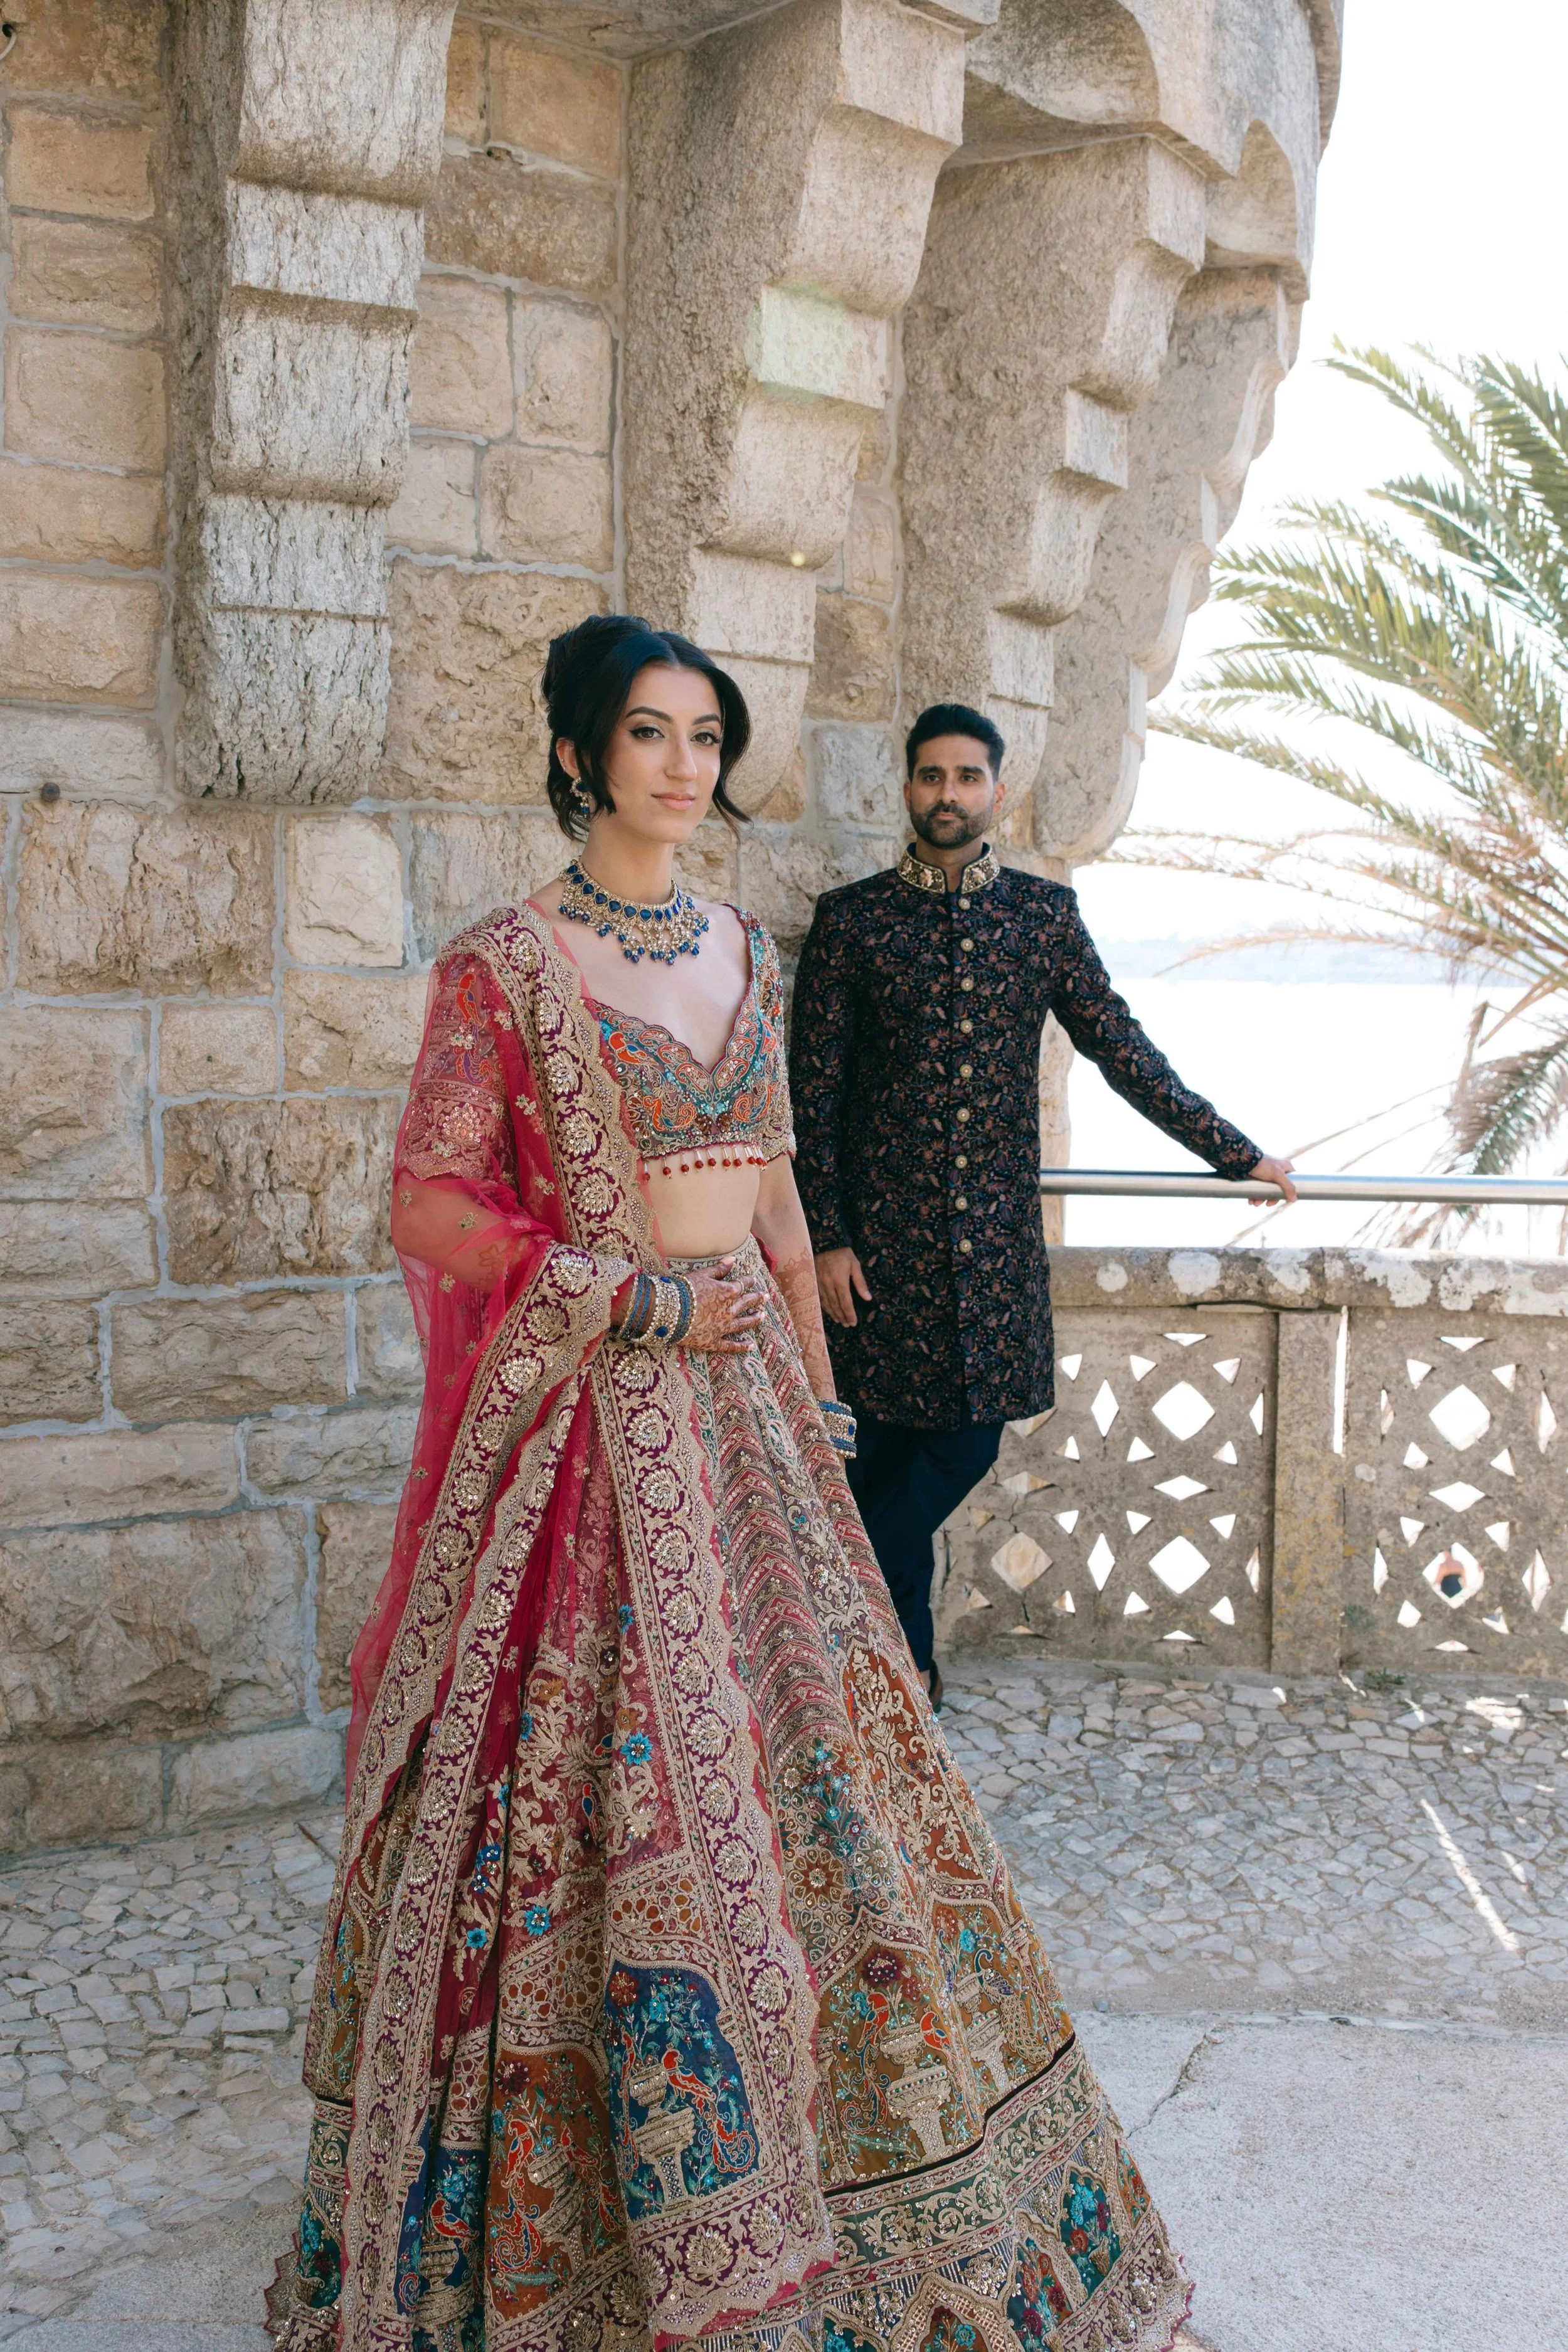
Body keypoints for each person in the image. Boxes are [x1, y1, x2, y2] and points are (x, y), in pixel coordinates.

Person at [268, 626, 1194, 2351]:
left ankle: (862, 2177)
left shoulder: (744, 957)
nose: (681, 764)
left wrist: (821, 1424)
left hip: (754, 1427)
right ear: (577, 752)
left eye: (706, 735)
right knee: (570, 1795)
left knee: (831, 1779)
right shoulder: (504, 965)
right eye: (646, 733)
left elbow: (774, 1215)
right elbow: (431, 1204)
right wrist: (625, 1298)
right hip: (586, 1439)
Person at [790, 702, 1296, 1703]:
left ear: (998, 791)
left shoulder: (1040, 917)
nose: (948, 794)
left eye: (967, 777)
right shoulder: (853, 923)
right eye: (930, 776)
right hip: (878, 1261)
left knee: (960, 1449)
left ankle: (827, 1610)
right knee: (880, 1460)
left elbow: (1121, 1049)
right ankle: (901, 1677)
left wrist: (1233, 1153)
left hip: (990, 1260)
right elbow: (810, 1096)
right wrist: (829, 1240)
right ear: (907, 789)